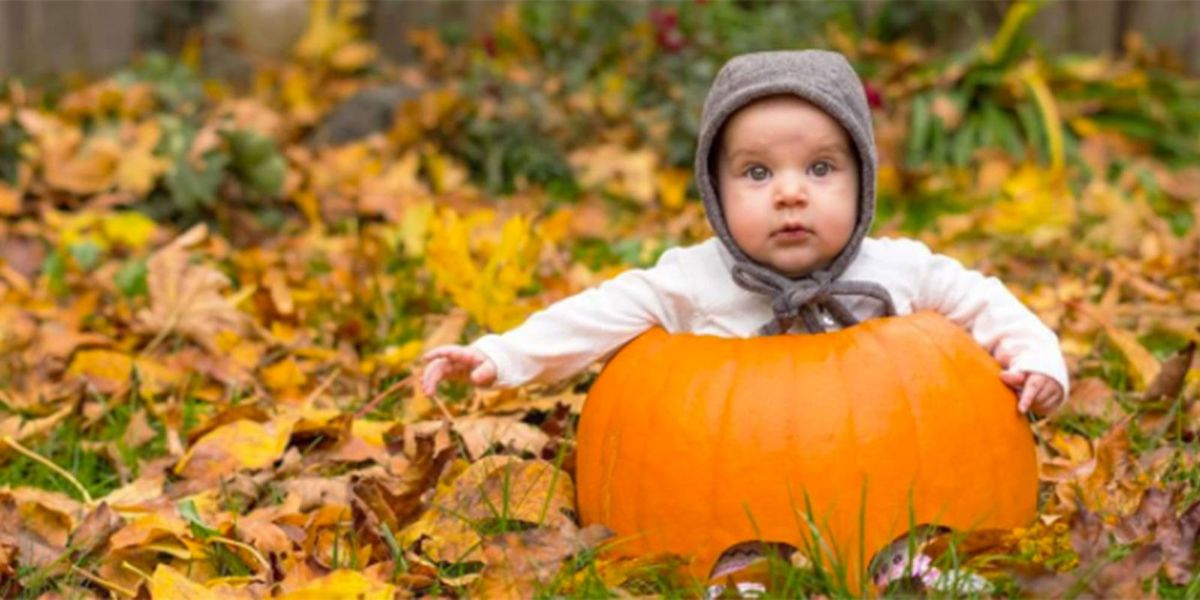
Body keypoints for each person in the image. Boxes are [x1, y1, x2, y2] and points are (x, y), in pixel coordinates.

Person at [421, 49, 1068, 415]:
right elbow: (593, 318)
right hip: (737, 473)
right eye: (757, 173)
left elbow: (988, 303)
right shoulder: (694, 280)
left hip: (882, 459)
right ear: (715, 190)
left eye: (820, 168)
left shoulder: (902, 270)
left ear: (863, 180)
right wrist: (500, 356)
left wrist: (1038, 362)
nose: (791, 192)